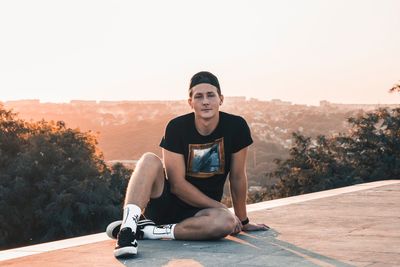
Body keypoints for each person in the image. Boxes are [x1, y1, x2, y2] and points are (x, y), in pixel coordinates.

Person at [107, 71, 269, 258]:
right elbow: (177, 185)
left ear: (221, 99)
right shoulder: (176, 127)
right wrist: (222, 207)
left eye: (211, 95)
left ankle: (148, 232)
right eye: (198, 96)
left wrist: (242, 220)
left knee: (225, 223)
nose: (205, 101)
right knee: (149, 160)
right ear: (190, 102)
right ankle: (127, 230)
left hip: (201, 213)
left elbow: (238, 177)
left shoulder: (236, 126)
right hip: (165, 204)